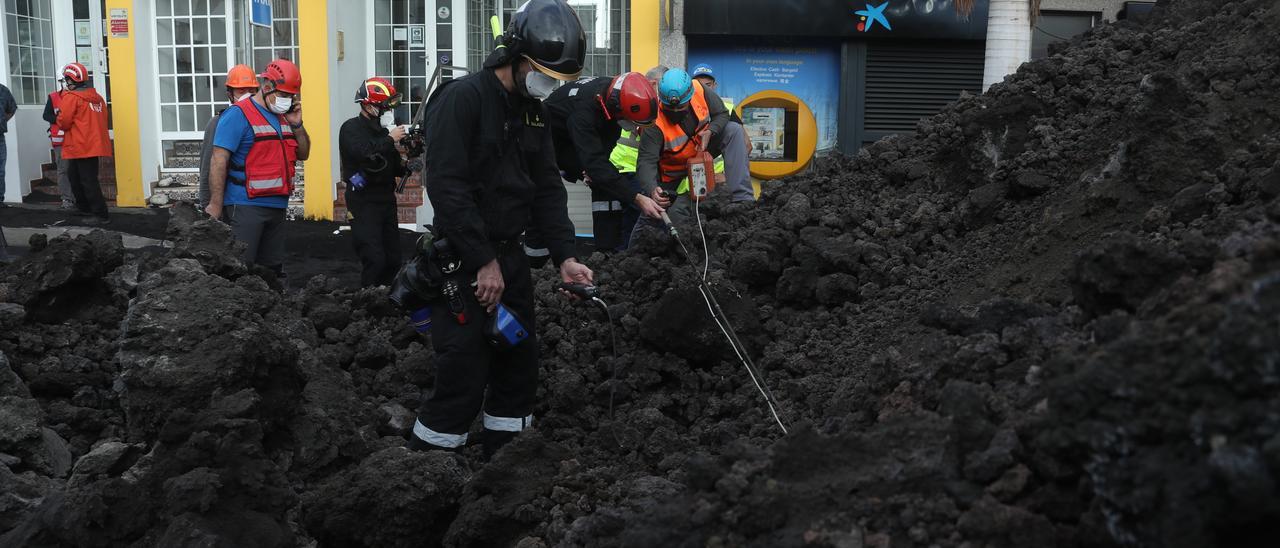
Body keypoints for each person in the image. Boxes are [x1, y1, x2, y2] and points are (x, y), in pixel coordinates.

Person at [403, 0, 592, 458]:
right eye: (543, 72)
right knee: (464, 372)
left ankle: (505, 464)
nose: (549, 85)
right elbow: (447, 187)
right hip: (466, 263)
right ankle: (427, 468)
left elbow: (547, 189)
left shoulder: (533, 113)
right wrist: (483, 259)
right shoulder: (462, 99)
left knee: (517, 366)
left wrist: (566, 256)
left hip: (509, 263)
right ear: (515, 55)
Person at [204, 59, 310, 280]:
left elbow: (303, 154)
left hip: (277, 206)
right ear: (267, 86)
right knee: (241, 270)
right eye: (283, 95)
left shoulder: (284, 118)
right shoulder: (237, 115)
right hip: (244, 205)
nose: (287, 100)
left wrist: (297, 125)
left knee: (270, 273)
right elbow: (218, 161)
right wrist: (214, 204)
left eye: (291, 96)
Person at [543, 72, 664, 251]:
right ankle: (540, 263)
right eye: (631, 121)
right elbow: (594, 160)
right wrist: (637, 198)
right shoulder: (584, 111)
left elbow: (605, 144)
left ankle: (608, 255)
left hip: (573, 143)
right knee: (549, 204)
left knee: (607, 189)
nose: (633, 127)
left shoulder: (611, 97)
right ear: (618, 108)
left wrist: (594, 170)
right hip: (545, 148)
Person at [635, 68, 754, 224]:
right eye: (670, 108)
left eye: (680, 107)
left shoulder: (699, 90)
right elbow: (646, 161)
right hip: (671, 171)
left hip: (701, 149)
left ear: (689, 98)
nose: (675, 111)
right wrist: (652, 189)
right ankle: (636, 246)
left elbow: (722, 114)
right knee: (652, 216)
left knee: (733, 130)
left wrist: (711, 130)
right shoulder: (653, 124)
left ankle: (742, 199)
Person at [340, 77, 408, 287]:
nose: (388, 111)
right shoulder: (351, 129)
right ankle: (367, 304)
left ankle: (385, 301)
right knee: (374, 259)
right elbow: (364, 153)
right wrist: (391, 139)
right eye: (384, 106)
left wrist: (408, 162)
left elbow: (395, 166)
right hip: (363, 201)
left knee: (393, 259)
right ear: (368, 105)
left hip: (386, 199)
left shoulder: (383, 133)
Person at [56, 62, 113, 224]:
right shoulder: (98, 98)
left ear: (70, 80)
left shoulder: (71, 98)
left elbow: (64, 122)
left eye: (66, 80)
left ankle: (100, 214)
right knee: (77, 177)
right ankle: (85, 209)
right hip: (92, 144)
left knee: (86, 180)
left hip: (79, 145)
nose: (66, 83)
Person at [198, 65, 260, 211]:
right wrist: (207, 205)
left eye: (252, 91)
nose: (248, 95)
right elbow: (208, 167)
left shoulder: (265, 121)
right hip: (231, 203)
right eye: (241, 91)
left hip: (260, 203)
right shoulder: (217, 123)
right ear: (230, 94)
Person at [42, 82, 75, 209]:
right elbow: (46, 115)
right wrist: (60, 120)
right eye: (65, 81)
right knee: (63, 170)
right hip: (60, 141)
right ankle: (67, 198)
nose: (67, 84)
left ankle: (78, 198)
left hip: (77, 140)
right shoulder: (53, 97)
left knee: (77, 170)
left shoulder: (78, 97)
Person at [0, 81, 15, 207]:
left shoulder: (3, 90)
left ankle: (0, 199)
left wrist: (3, 120)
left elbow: (11, 108)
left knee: (0, 170)